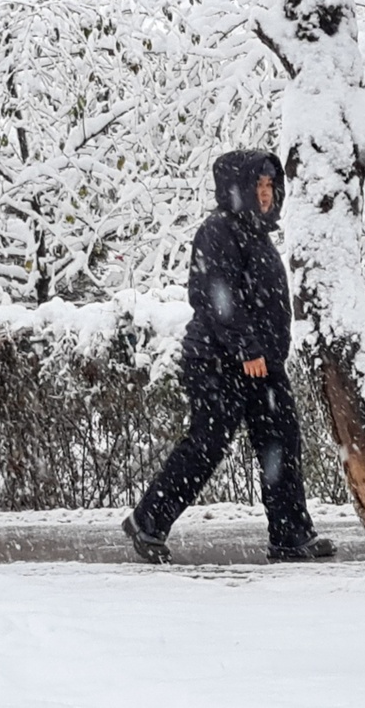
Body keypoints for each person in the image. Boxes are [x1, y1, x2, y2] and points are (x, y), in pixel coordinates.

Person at [122, 149, 336, 563]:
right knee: (208, 444)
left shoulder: (257, 234)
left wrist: (265, 352)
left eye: (270, 185)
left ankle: (290, 536)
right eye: (258, 185)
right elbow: (216, 295)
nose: (266, 193)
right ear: (237, 187)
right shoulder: (219, 230)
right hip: (218, 361)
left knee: (280, 442)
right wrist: (246, 348)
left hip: (261, 364)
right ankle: (148, 521)